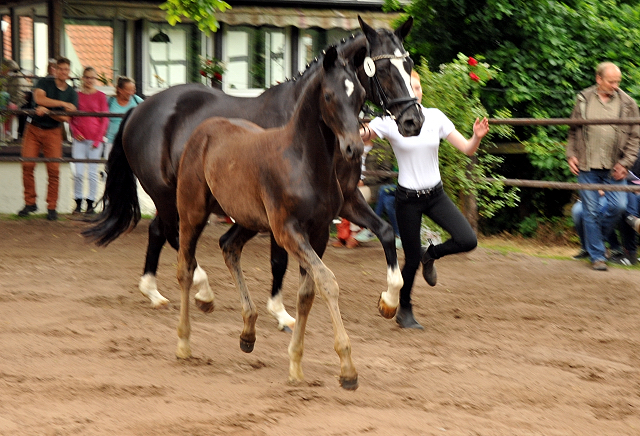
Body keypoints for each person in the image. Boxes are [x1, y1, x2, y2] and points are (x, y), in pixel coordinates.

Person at [361, 70, 489, 329]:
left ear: (421, 91)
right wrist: (357, 126)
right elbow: (364, 135)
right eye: (409, 87)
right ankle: (405, 310)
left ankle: (430, 254)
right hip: (407, 200)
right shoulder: (388, 120)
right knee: (409, 260)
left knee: (468, 240)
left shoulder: (435, 117)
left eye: (417, 87)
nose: (414, 92)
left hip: (435, 195)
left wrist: (476, 136)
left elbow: (466, 148)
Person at [566, 61, 640, 271]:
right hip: (588, 165)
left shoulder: (628, 103)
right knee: (590, 211)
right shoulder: (583, 99)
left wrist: (625, 163)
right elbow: (572, 131)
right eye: (611, 82)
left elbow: (635, 138)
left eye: (618, 82)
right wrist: (571, 154)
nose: (615, 86)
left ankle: (593, 242)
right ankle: (597, 256)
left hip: (615, 167)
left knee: (619, 206)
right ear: (599, 79)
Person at [17, 57, 78, 221]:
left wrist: (48, 111)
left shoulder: (72, 92)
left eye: (66, 69)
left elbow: (67, 118)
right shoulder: (44, 82)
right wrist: (61, 104)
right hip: (34, 128)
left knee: (54, 169)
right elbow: (39, 99)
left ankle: (52, 207)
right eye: (61, 69)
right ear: (56, 70)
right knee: (27, 164)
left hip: (53, 131)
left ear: (69, 72)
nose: (64, 72)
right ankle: (30, 202)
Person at [69, 66, 109, 215]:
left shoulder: (101, 96)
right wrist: (75, 131)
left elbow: (105, 119)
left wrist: (98, 139)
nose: (89, 80)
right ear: (82, 78)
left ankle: (90, 203)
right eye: (87, 77)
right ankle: (78, 202)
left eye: (92, 78)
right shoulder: (76, 95)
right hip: (79, 139)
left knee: (92, 173)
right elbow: (71, 117)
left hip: (95, 140)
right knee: (78, 172)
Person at [103, 76, 143, 159]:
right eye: (129, 90)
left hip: (130, 142)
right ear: (120, 90)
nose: (132, 93)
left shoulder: (137, 101)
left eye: (133, 89)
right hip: (112, 141)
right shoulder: (110, 101)